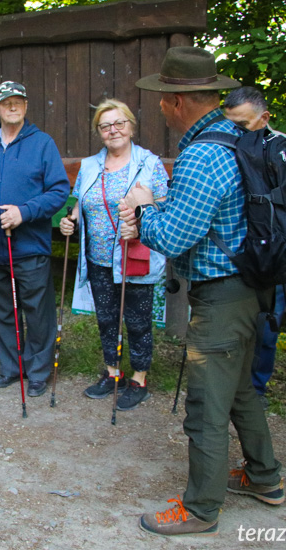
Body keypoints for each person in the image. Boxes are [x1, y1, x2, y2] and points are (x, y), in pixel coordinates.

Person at [120, 47, 283, 536]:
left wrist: (145, 210)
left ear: (176, 102)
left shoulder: (202, 152)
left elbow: (170, 238)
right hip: (250, 287)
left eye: (162, 102)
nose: (161, 110)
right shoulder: (239, 137)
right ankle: (264, 477)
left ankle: (200, 509)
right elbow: (206, 214)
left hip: (221, 296)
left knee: (206, 405)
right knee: (237, 394)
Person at [0, 81, 69, 398]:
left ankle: (37, 371)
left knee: (37, 311)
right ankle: (11, 367)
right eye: (6, 102)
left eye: (18, 100)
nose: (13, 106)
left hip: (30, 246)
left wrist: (26, 211)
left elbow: (59, 191)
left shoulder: (42, 144)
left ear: (26, 105)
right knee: (2, 310)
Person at [60, 98, 168, 410]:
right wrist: (71, 221)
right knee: (106, 319)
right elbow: (82, 202)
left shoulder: (149, 163)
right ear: (99, 132)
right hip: (99, 259)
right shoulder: (91, 165)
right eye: (105, 126)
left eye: (119, 123)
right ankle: (112, 372)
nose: (113, 130)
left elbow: (163, 206)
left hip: (135, 256)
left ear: (131, 127)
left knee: (137, 320)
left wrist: (142, 219)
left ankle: (139, 377)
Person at [223, 86, 286, 410]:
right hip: (234, 250)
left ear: (263, 117)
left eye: (243, 123)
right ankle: (229, 384)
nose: (236, 130)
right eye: (231, 123)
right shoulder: (226, 148)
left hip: (276, 250)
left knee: (268, 321)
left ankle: (256, 388)